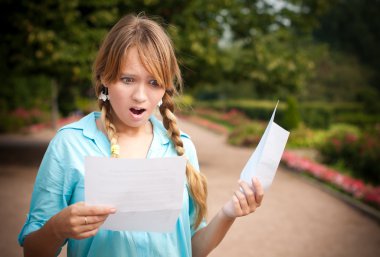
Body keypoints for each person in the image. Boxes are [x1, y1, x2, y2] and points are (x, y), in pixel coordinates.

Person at [18, 13, 264, 257]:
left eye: (154, 82)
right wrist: (56, 229)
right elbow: (33, 251)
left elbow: (191, 249)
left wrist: (229, 213)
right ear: (105, 77)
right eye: (127, 79)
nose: (140, 96)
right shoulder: (69, 144)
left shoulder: (182, 148)